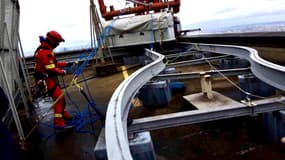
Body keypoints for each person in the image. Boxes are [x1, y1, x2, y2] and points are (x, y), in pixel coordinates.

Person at [34, 30, 73, 129]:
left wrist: (66, 64)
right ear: (52, 41)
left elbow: (53, 64)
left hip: (49, 79)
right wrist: (63, 72)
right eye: (57, 42)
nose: (58, 44)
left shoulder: (46, 50)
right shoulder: (45, 52)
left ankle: (63, 115)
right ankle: (59, 124)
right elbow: (51, 69)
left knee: (59, 99)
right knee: (59, 100)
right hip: (47, 80)